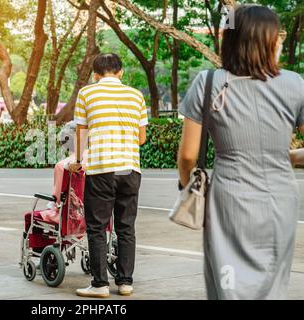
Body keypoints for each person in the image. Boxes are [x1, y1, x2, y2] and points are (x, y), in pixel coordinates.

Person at [177, 4, 304, 300]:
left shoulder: (207, 83)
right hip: (280, 200)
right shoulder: (295, 84)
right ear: (266, 38)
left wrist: (186, 186)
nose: (281, 40)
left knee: (228, 285)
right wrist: (288, 157)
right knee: (271, 286)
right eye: (278, 33)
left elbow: (187, 157)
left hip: (227, 202)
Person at [70, 53, 148, 298]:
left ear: (95, 75)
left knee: (97, 227)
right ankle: (125, 283)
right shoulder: (136, 96)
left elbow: (81, 133)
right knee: (126, 227)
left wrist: (78, 161)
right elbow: (141, 138)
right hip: (129, 169)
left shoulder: (87, 94)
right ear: (120, 72)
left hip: (102, 169)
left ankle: (100, 284)